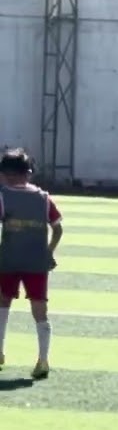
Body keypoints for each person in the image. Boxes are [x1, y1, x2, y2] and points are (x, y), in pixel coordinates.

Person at [0, 148, 63, 380]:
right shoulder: (44, 198)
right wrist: (49, 252)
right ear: (28, 173)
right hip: (36, 261)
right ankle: (43, 359)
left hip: (8, 259)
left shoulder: (3, 196)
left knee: (3, 302)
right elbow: (58, 228)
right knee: (39, 308)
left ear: (6, 174)